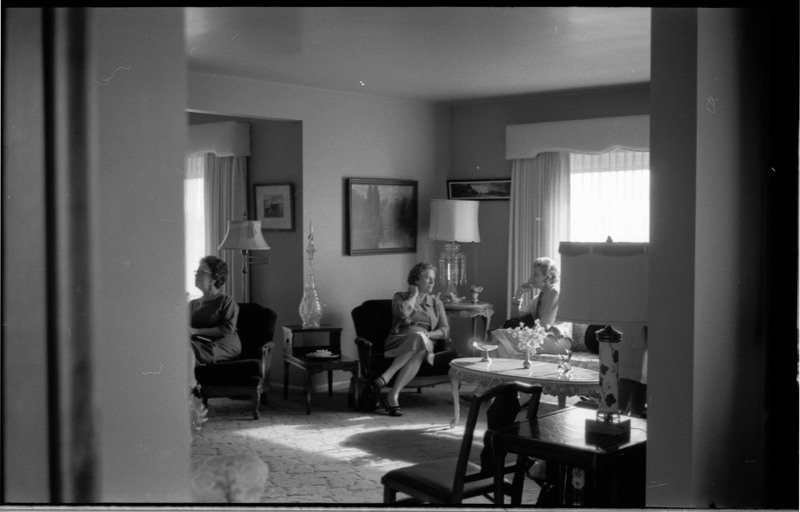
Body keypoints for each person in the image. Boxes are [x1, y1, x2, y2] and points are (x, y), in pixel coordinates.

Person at [372, 262, 449, 417]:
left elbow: (444, 330)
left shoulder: (436, 303)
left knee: (421, 341)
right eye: (428, 278)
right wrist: (414, 295)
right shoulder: (400, 296)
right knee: (420, 345)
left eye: (433, 279)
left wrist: (428, 335)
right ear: (416, 280)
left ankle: (391, 388)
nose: (432, 282)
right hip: (400, 338)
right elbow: (401, 313)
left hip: (424, 339)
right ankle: (391, 390)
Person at [491, 256, 572, 358]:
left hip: (557, 340)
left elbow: (544, 326)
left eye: (535, 275)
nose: (531, 278)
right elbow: (516, 316)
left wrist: (520, 334)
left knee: (498, 334)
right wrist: (519, 294)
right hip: (541, 337)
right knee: (500, 346)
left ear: (547, 277)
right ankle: (499, 372)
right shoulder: (539, 297)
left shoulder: (554, 292)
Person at [189, 255, 241, 365]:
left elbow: (228, 329)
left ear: (214, 277)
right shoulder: (192, 304)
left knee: (189, 350)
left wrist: (197, 331)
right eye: (196, 272)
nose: (196, 275)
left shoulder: (225, 301)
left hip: (223, 345)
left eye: (201, 272)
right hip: (200, 343)